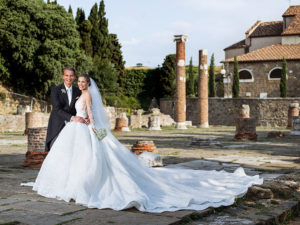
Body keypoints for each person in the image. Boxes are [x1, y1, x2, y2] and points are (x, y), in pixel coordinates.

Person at [23, 74, 263, 213]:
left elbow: (92, 115)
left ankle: (80, 184)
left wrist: (94, 127)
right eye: (81, 82)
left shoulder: (84, 95)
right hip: (75, 128)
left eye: (85, 82)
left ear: (88, 84)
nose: (82, 84)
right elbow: (69, 109)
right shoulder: (77, 93)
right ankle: (70, 183)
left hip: (86, 126)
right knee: (74, 156)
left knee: (96, 154)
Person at [45, 67, 86, 151]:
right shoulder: (56, 90)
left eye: (71, 76)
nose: (69, 78)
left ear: (74, 77)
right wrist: (72, 118)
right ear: (63, 76)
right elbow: (57, 109)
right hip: (57, 124)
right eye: (66, 75)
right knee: (55, 148)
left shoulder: (78, 91)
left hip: (73, 126)